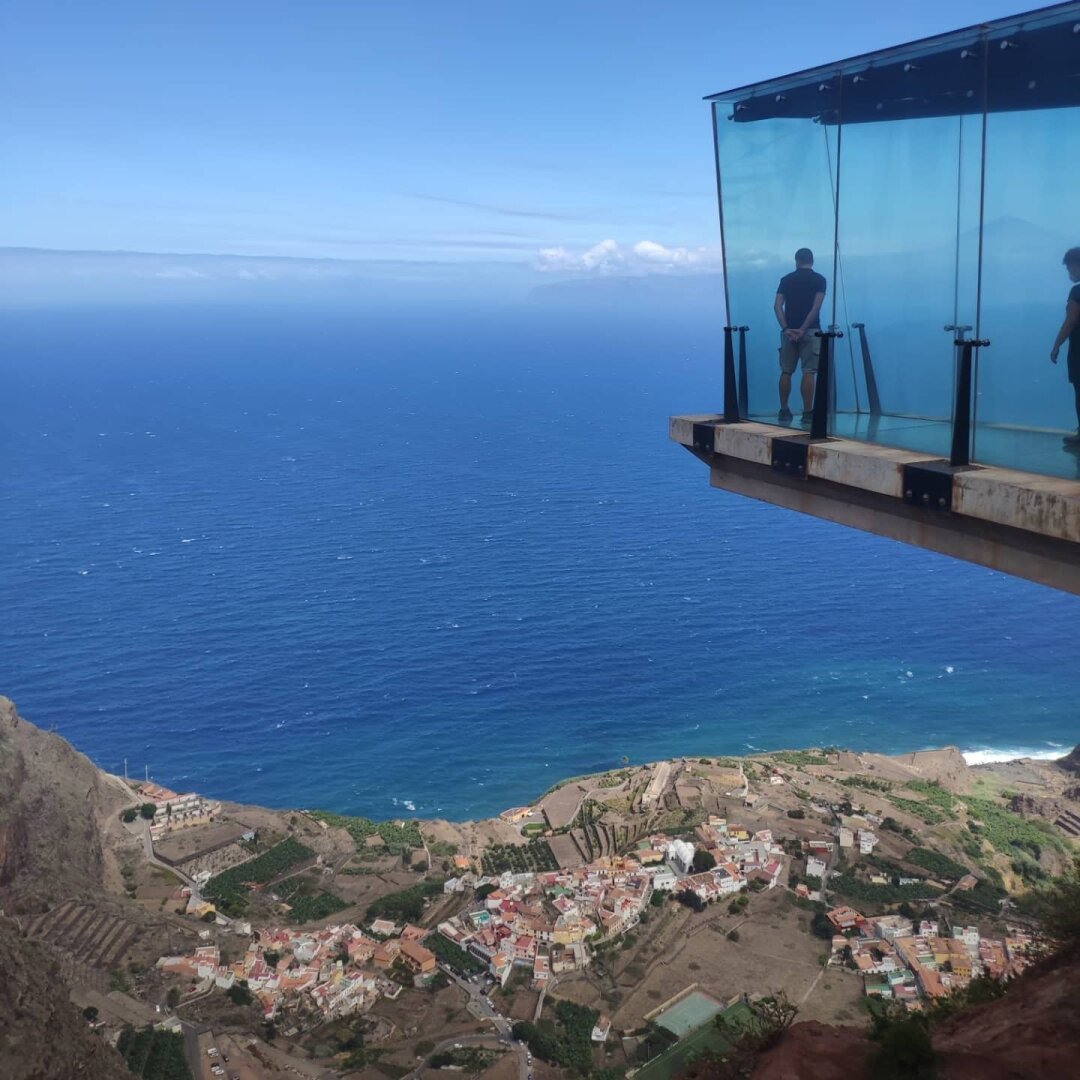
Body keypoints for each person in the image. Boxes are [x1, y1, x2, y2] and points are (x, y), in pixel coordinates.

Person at [774, 248, 827, 423]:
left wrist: (787, 328)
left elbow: (777, 306)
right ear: (812, 261)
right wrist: (803, 329)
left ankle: (783, 410)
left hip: (789, 332)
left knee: (786, 371)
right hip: (810, 331)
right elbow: (816, 307)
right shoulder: (819, 280)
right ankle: (807, 413)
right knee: (809, 371)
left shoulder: (786, 280)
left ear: (796, 260)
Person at [1050, 247, 1080, 447]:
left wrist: (1056, 345)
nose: (1069, 272)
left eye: (1069, 267)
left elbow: (1071, 321)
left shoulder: (1077, 291)